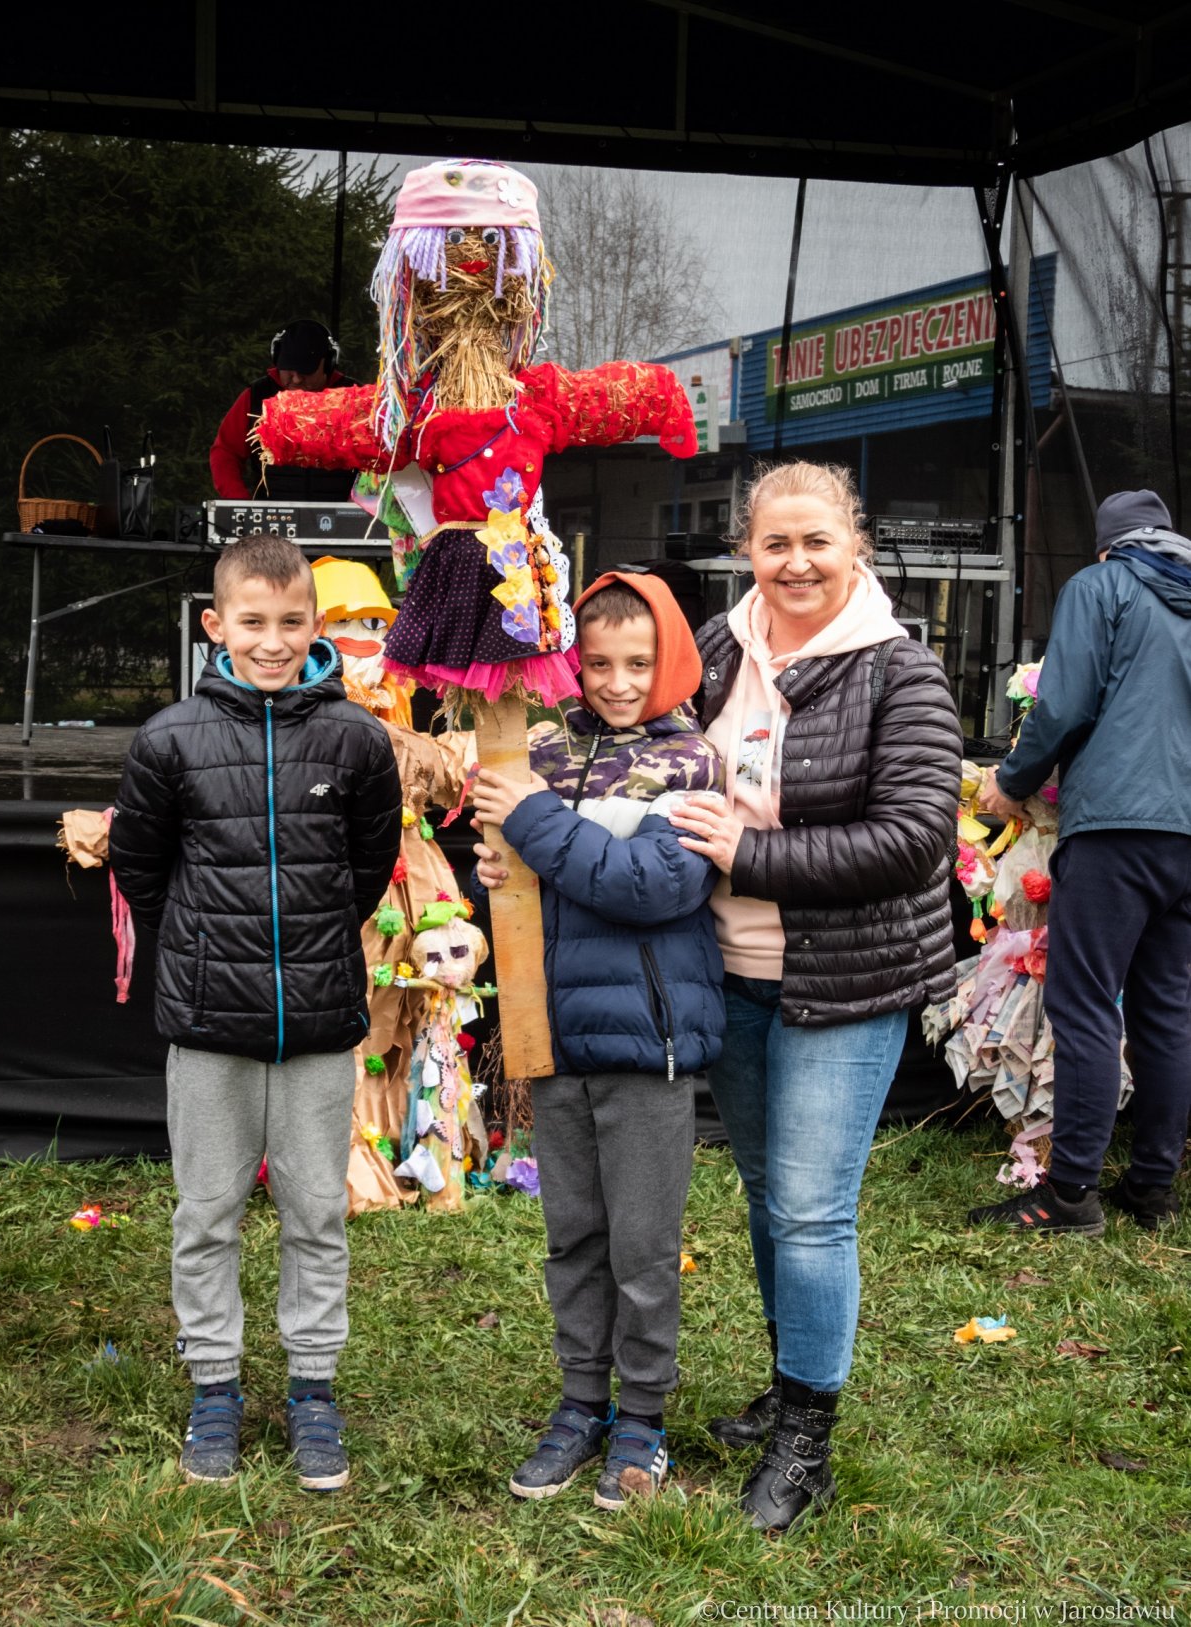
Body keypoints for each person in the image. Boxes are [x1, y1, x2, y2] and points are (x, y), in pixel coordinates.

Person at [668, 460, 963, 1534]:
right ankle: (787, 1374)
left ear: (856, 547)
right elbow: (649, 758)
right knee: (765, 1193)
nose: (794, 563)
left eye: (816, 542)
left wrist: (749, 854)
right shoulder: (711, 648)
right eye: (773, 543)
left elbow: (912, 838)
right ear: (746, 549)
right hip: (729, 972)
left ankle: (807, 1440)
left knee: (809, 1207)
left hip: (847, 981)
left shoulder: (901, 673)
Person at [109, 535, 401, 1491]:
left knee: (317, 1209)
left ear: (316, 625)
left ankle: (312, 1388)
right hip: (209, 1025)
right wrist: (209, 952)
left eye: (291, 622)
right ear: (216, 624)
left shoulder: (356, 739)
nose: (272, 641)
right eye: (252, 622)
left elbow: (367, 866)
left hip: (317, 1022)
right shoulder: (170, 738)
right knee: (207, 1211)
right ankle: (215, 1387)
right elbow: (143, 868)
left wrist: (305, 951)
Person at [469, 572, 725, 1510]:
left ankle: (644, 1417)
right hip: (559, 1040)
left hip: (647, 1048)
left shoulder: (691, 762)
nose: (619, 682)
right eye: (601, 663)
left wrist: (531, 821)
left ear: (673, 661)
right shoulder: (539, 748)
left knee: (643, 1245)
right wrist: (500, 863)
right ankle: (582, 1403)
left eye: (640, 663)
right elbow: (525, 870)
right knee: (573, 1234)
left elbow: (647, 886)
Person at [969, 489, 1191, 1235]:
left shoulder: (1102, 585)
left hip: (1116, 826)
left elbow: (1062, 705)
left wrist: (1010, 782)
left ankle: (1069, 1196)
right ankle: (1152, 1186)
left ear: (1107, 546)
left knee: (1086, 1001)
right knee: (1167, 1007)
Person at [210, 320, 357, 500]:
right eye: (288, 370)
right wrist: (241, 504)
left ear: (328, 363)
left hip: (343, 513)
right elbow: (225, 452)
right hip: (270, 514)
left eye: (306, 371)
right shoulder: (257, 395)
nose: (296, 379)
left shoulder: (354, 397)